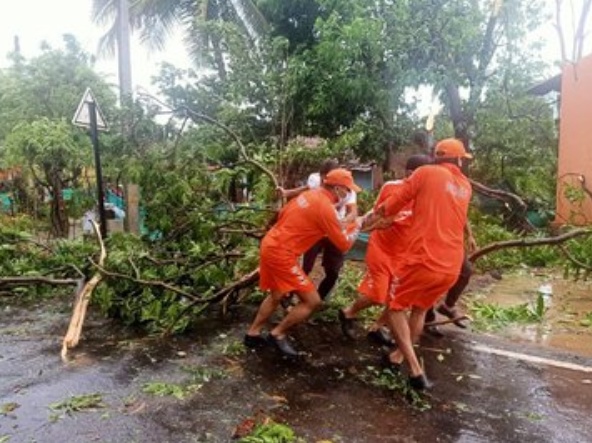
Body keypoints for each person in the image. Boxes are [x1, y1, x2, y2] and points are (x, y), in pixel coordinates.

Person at [375, 138, 472, 390]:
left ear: (436, 156)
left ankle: (415, 370)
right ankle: (396, 355)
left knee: (395, 306)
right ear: (458, 160)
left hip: (423, 258)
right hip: (452, 265)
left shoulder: (425, 173)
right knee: (418, 309)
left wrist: (379, 215)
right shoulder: (465, 185)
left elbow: (394, 203)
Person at [245, 169, 363, 357]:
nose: (349, 195)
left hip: (271, 244)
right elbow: (344, 244)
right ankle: (278, 334)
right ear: (338, 189)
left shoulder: (308, 195)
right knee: (312, 301)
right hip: (281, 253)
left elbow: (283, 215)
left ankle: (252, 334)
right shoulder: (325, 207)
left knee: (276, 294)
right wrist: (358, 224)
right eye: (348, 190)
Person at [338, 155, 433, 346]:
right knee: (378, 295)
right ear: (411, 173)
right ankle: (348, 313)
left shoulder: (428, 196)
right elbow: (376, 213)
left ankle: (378, 327)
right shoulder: (391, 187)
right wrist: (363, 223)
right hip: (381, 248)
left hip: (405, 254)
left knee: (396, 299)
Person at [277, 159, 358, 301]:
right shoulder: (315, 181)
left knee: (333, 271)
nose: (324, 182)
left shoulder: (346, 187)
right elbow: (306, 189)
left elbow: (353, 212)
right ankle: (290, 295)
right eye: (323, 178)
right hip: (316, 229)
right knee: (305, 266)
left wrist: (345, 221)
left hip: (334, 229)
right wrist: (287, 193)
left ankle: (318, 301)